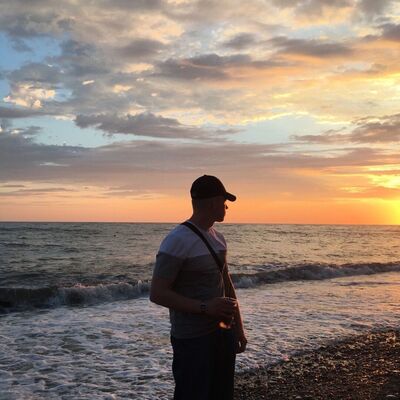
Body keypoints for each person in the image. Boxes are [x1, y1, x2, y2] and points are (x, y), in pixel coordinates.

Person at [150, 175, 247, 400]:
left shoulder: (219, 239)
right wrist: (205, 307)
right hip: (192, 339)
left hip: (223, 332)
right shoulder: (177, 240)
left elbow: (227, 284)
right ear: (213, 202)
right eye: (224, 201)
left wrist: (239, 328)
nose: (226, 207)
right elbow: (157, 293)